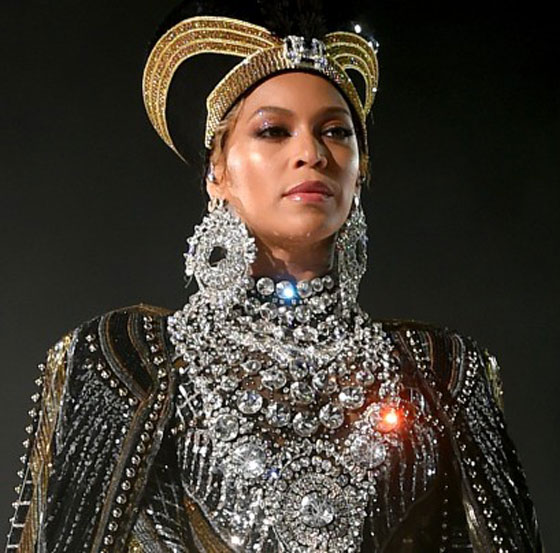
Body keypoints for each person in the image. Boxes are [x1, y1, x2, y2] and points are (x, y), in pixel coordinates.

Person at [4, 1, 544, 552]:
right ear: (217, 170)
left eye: (335, 131)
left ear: (360, 172)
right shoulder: (121, 362)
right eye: (273, 131)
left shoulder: (443, 372)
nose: (311, 153)